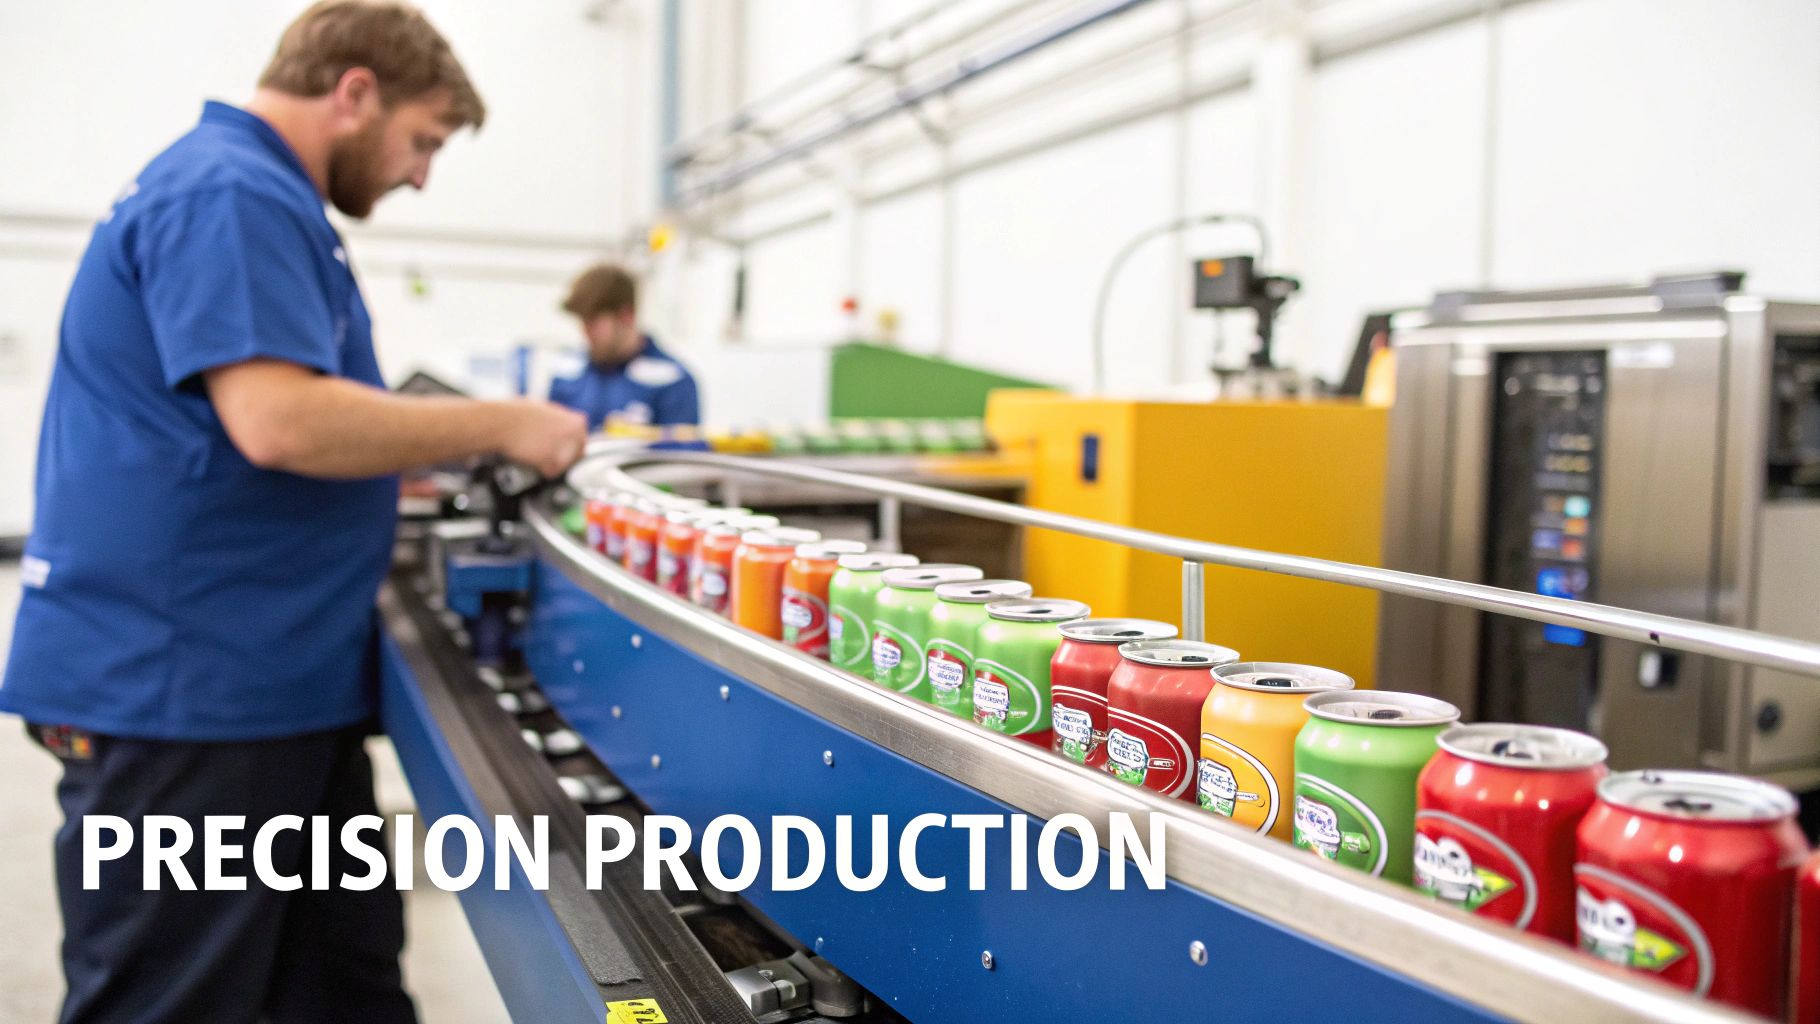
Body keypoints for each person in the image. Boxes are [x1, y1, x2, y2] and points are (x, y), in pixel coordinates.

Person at [0, 3, 588, 1022]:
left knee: (338, 987)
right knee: (169, 998)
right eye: (423, 141)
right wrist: (501, 425)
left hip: (266, 688)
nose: (419, 175)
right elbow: (277, 420)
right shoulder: (229, 191)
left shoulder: (257, 196)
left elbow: (236, 437)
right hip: (185, 693)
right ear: (354, 91)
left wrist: (384, 471)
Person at [549, 262, 700, 429]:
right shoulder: (567, 372)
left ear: (626, 315)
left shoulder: (672, 381)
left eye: (592, 321)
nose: (585, 331)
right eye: (582, 321)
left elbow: (678, 452)